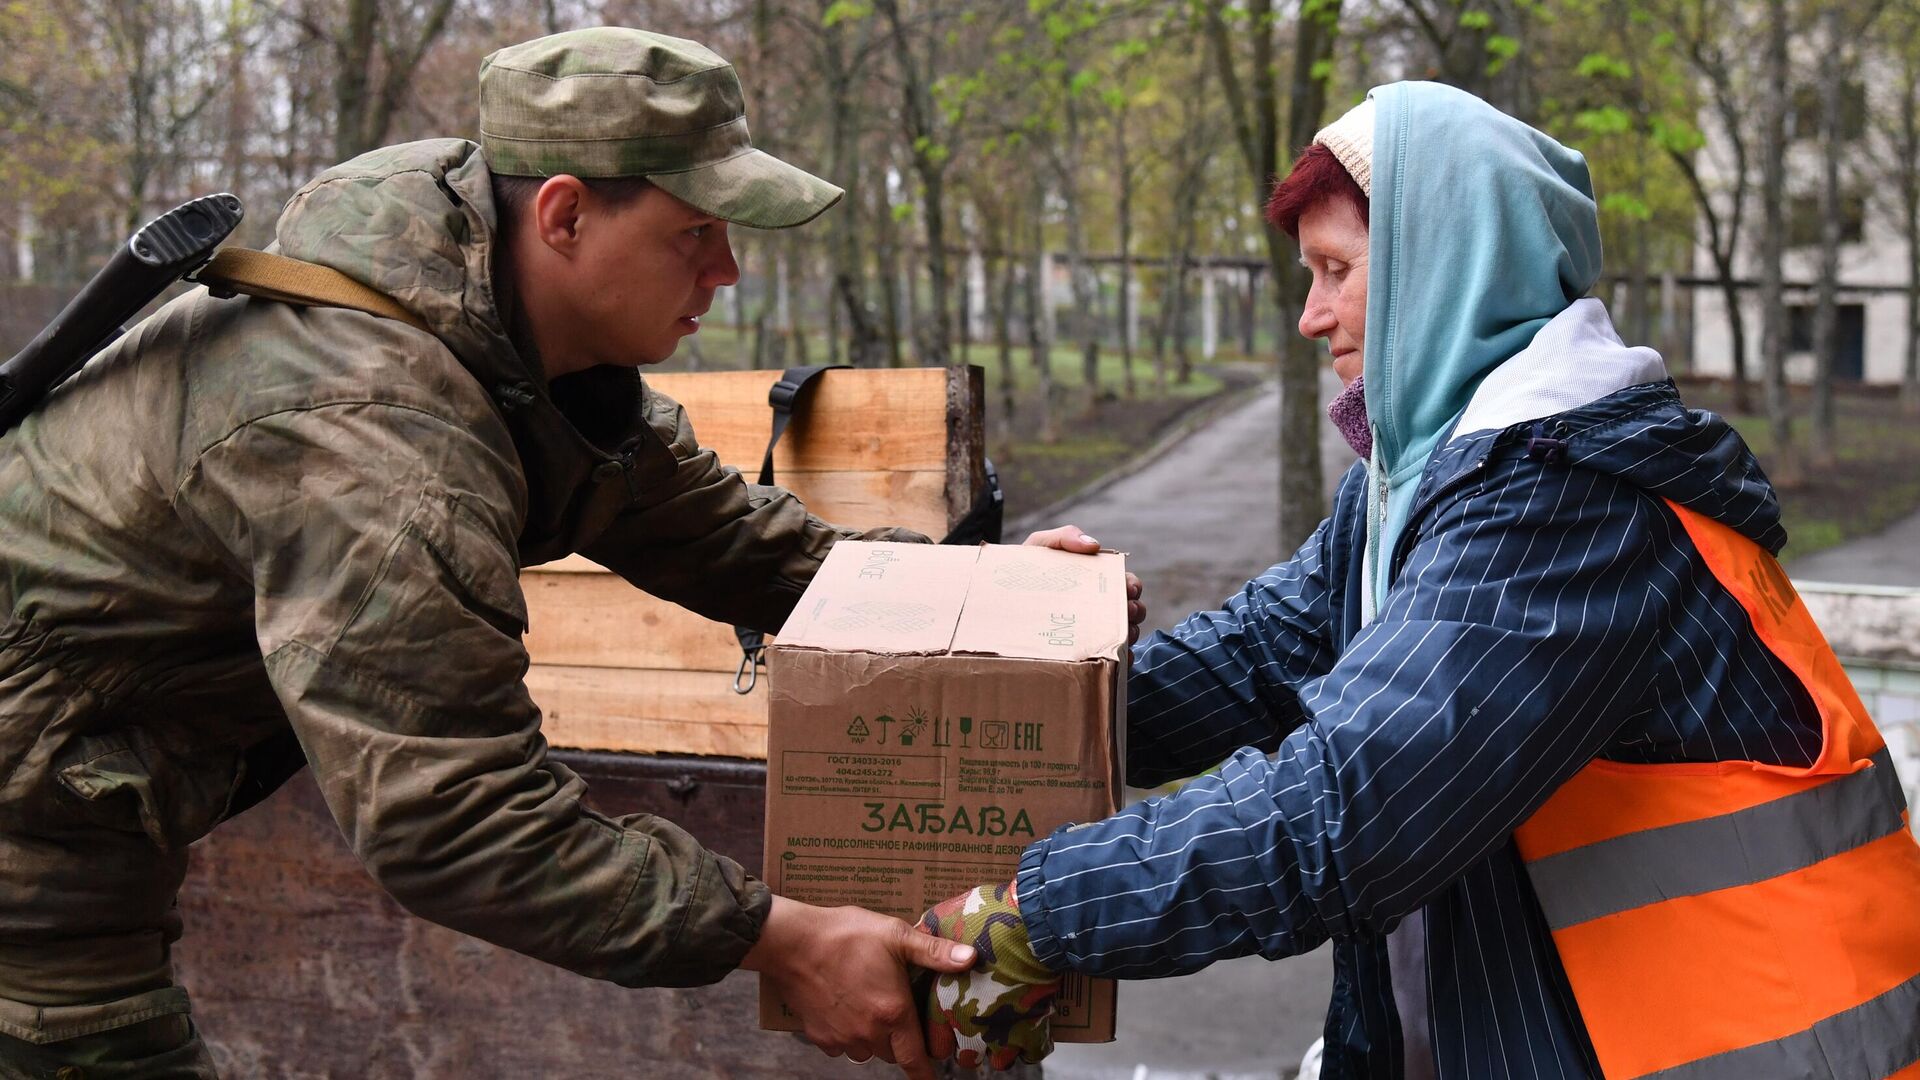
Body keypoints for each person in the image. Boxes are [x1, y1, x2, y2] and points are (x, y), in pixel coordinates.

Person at [0, 27, 1142, 1079]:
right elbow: (455, 817)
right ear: (561, 216)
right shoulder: (372, 436)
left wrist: (981, 591)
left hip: (89, 807)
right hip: (37, 836)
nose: (727, 270)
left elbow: (736, 541)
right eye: (694, 232)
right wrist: (775, 938)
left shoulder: (501, 343)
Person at [916, 81, 1920, 1078]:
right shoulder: (1416, 490)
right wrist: (1034, 669)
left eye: (1335, 270)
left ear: (1443, 273)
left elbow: (1348, 808)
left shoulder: (1569, 506)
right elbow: (1259, 661)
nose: (1311, 317)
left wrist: (1021, 923)